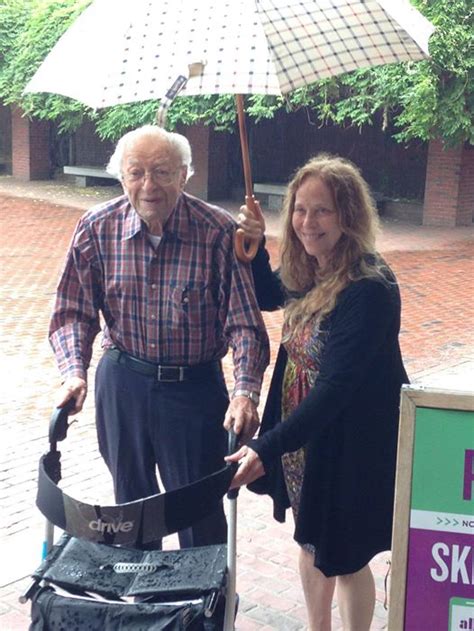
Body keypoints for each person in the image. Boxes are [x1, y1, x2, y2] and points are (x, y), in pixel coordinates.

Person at [49, 124, 269, 549]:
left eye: (163, 172)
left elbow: (245, 325)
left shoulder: (218, 232)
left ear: (184, 174)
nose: (149, 185)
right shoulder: (96, 227)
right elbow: (72, 311)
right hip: (122, 383)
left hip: (193, 391)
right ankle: (145, 608)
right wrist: (74, 372)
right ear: (121, 176)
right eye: (136, 172)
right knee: (130, 513)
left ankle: (202, 610)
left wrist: (245, 392)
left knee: (198, 512)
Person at [228, 154, 408, 631]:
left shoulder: (369, 286)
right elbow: (270, 294)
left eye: (322, 210)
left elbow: (337, 388)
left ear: (348, 214)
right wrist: (253, 245)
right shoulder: (311, 268)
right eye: (300, 210)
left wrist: (265, 448)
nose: (308, 223)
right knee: (311, 540)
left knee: (345, 554)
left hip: (347, 439)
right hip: (304, 438)